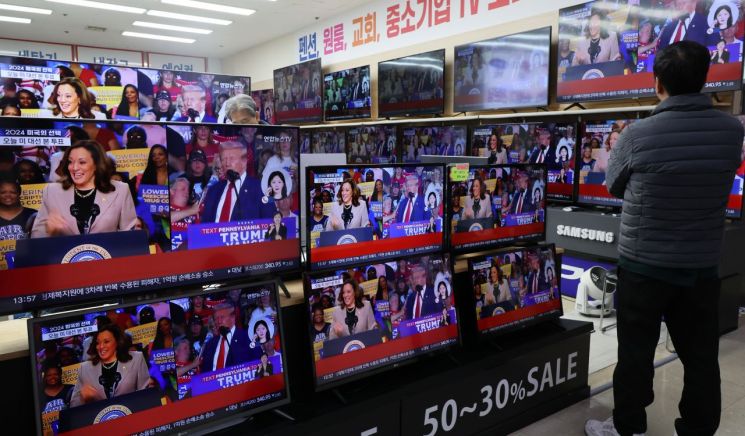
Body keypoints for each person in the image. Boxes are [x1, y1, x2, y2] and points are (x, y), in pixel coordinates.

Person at [584, 41, 744, 436]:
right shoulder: (731, 131)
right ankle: (697, 429)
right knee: (701, 357)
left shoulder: (637, 134)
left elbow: (613, 186)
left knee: (635, 354)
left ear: (657, 83)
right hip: (700, 267)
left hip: (643, 266)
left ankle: (629, 428)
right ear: (705, 79)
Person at [31, 140, 137, 238]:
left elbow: (129, 236)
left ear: (96, 164)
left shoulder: (121, 190)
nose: (74, 167)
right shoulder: (52, 191)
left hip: (106, 257)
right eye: (70, 162)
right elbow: (36, 236)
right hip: (63, 257)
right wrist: (49, 231)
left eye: (82, 162)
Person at [70, 324, 150, 406]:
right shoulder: (85, 368)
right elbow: (74, 404)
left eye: (106, 342)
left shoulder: (136, 359)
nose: (101, 346)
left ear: (117, 342)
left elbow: (146, 394)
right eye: (98, 343)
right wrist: (83, 398)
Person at [199, 141, 274, 223]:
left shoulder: (262, 189)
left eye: (231, 158)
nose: (227, 164)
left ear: (244, 162)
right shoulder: (213, 190)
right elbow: (204, 226)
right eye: (224, 159)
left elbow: (270, 223)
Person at [200, 302, 253, 373]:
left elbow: (258, 362)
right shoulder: (210, 344)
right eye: (216, 318)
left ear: (233, 318)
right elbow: (204, 373)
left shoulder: (247, 337)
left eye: (222, 317)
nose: (218, 321)